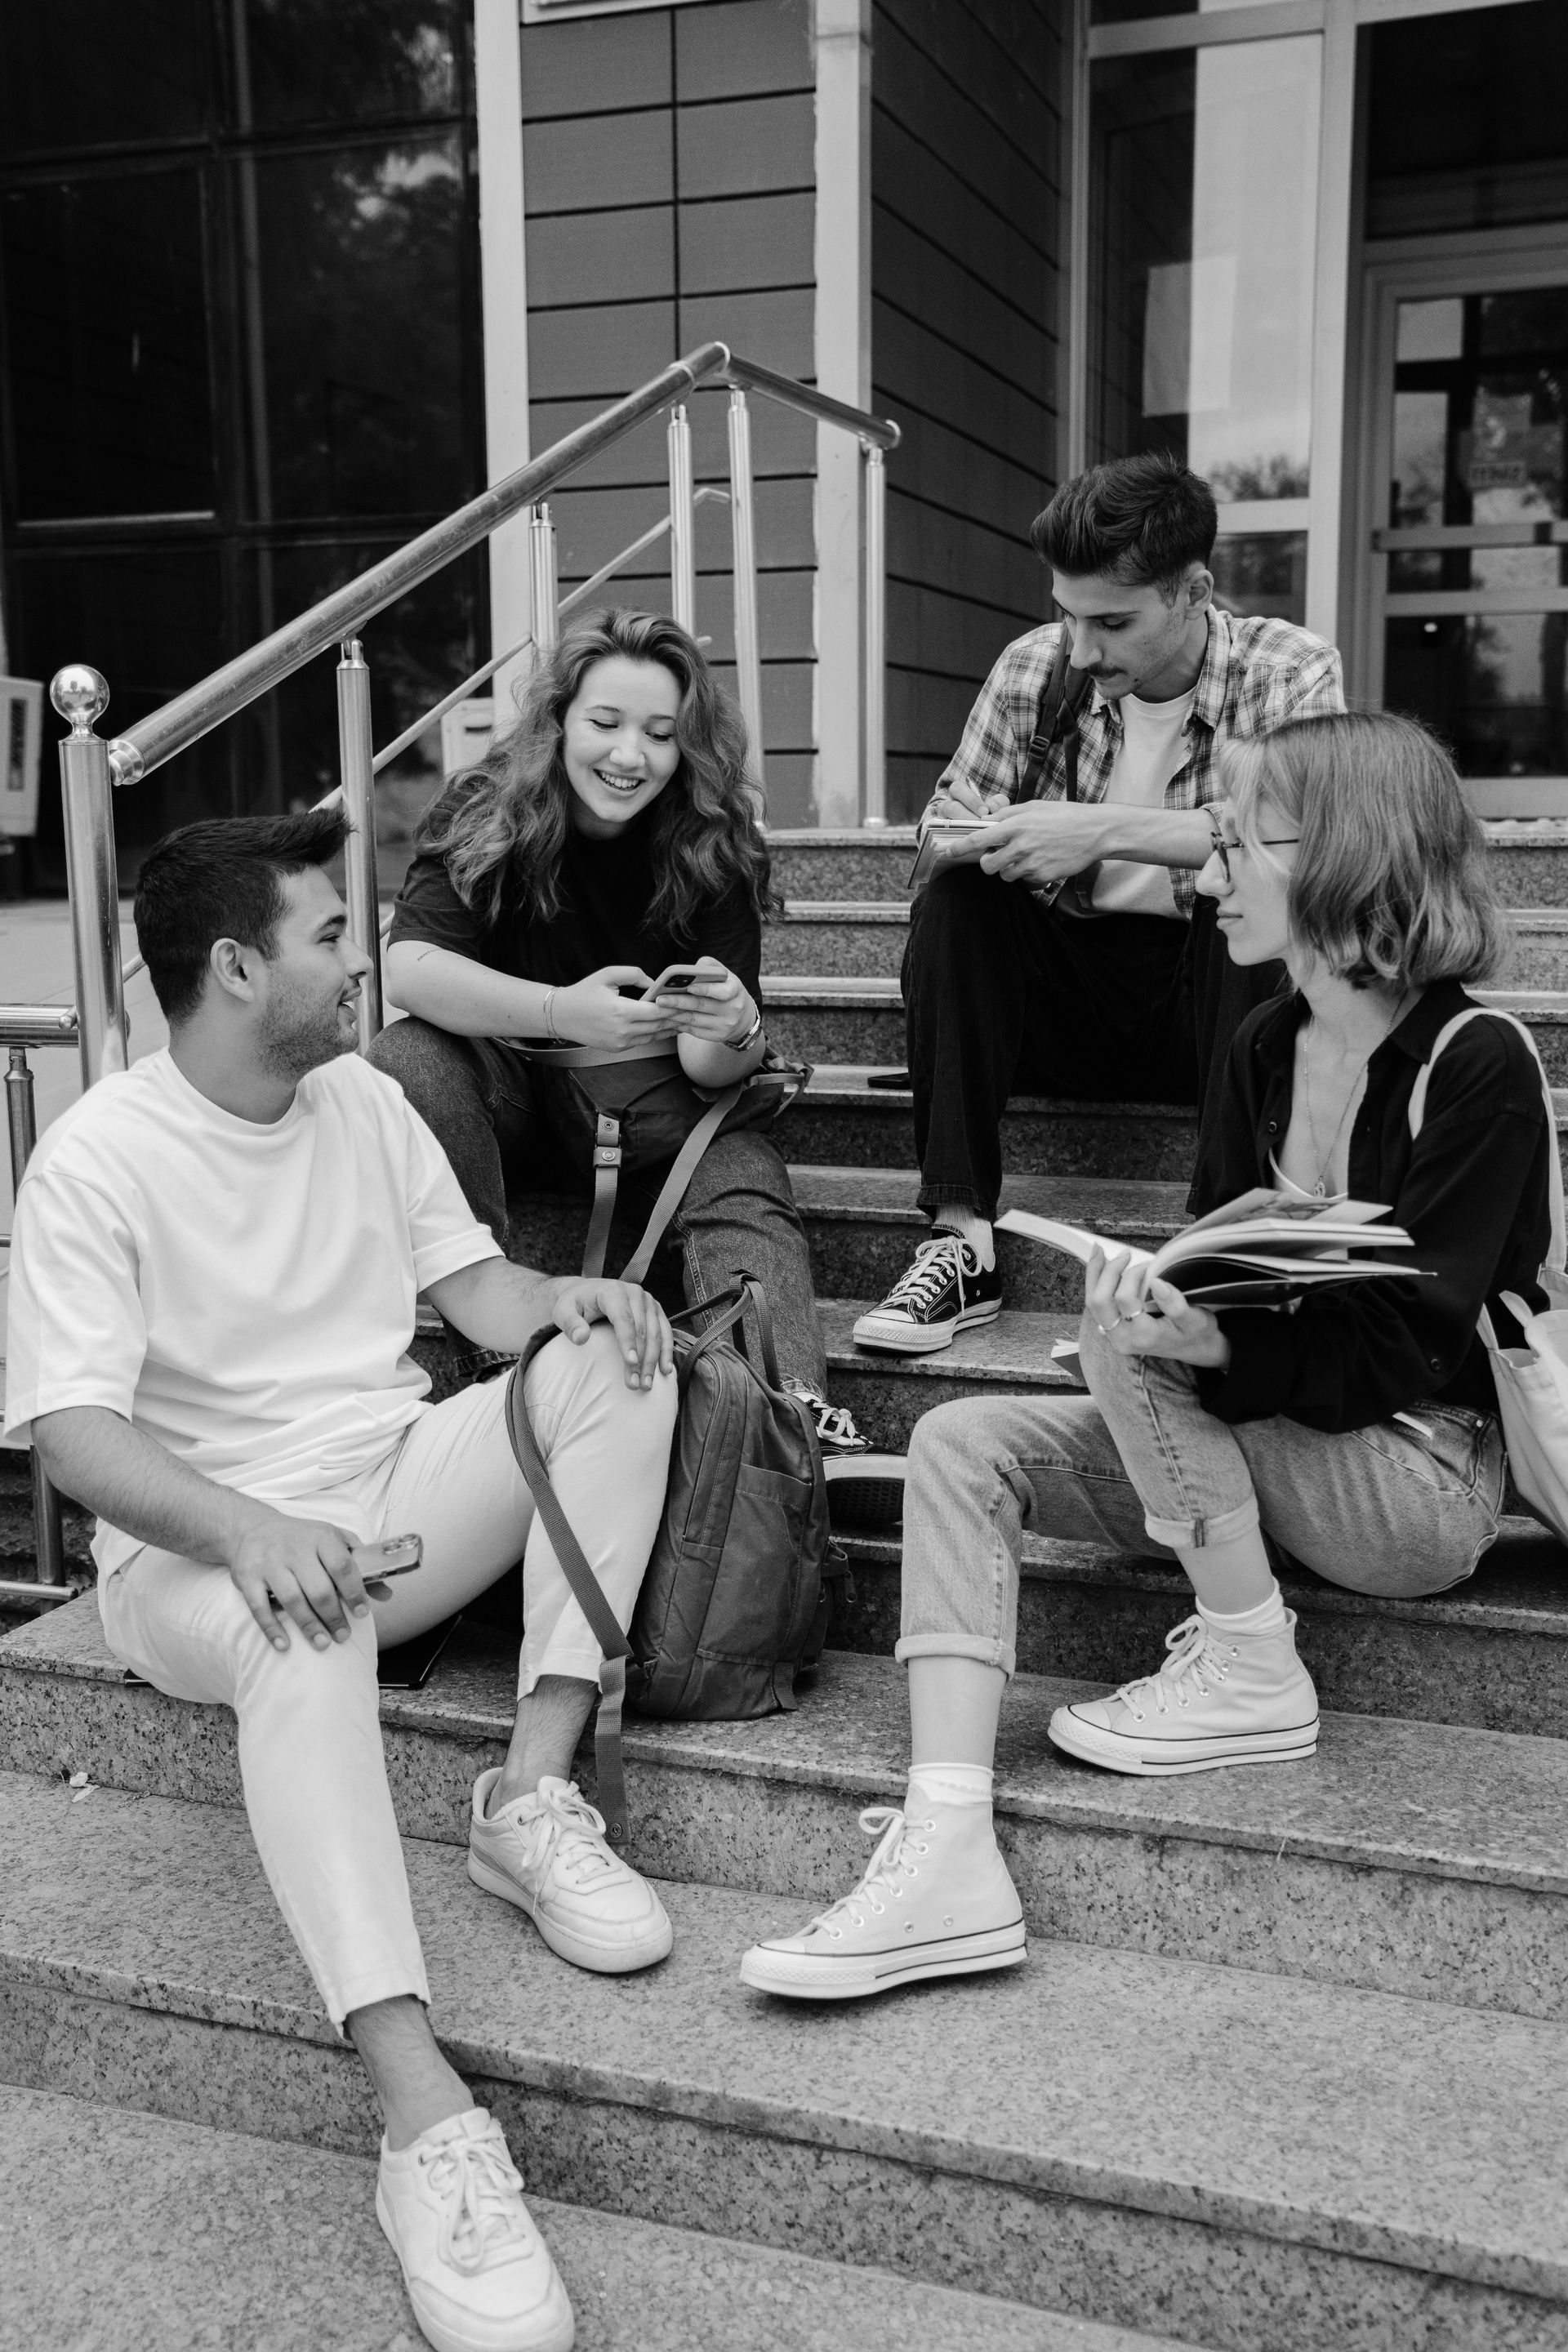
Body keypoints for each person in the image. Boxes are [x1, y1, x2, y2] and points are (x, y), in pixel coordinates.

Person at [7, 808, 685, 2352]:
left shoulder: (366, 1106)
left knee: (619, 1373)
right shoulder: (99, 1158)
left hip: (391, 1490)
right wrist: (248, 1531)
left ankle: (528, 1796)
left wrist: (568, 1302)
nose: (359, 960)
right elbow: (73, 1435)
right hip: (197, 1561)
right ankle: (422, 2121)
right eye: (329, 935)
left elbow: (476, 1291)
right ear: (238, 967)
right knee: (295, 1626)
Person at [742, 710, 1551, 2000]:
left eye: (1234, 844)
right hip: (1253, 1465)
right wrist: (1182, 1329)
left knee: (1138, 1340)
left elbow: (1407, 1346)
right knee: (965, 1440)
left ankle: (1248, 1664)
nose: (1207, 874)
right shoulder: (1259, 1044)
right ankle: (945, 1836)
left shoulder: (1477, 1063)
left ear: (1341, 855)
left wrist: (1196, 1349)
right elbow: (1222, 1265)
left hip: (1414, 1482)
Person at [853, 452, 1346, 1356]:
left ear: (1196, 591)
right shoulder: (1035, 668)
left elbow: (1300, 843)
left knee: (1252, 899)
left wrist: (1095, 830)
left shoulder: (1288, 670)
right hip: (1067, 1005)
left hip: (1217, 1012)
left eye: (1113, 623)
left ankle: (1210, 1259)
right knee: (961, 895)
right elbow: (935, 835)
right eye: (1068, 616)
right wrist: (980, 835)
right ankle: (962, 1241)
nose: (1083, 649)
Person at [373, 605, 875, 1477]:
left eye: (660, 734)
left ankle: (788, 1417)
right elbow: (409, 970)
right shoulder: (485, 807)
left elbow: (712, 1072)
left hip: (658, 1122)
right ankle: (499, 1340)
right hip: (514, 1107)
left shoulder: (713, 838)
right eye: (605, 723)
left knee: (745, 1173)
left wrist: (733, 1027)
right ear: (559, 718)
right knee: (408, 1055)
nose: (629, 756)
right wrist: (564, 1011)